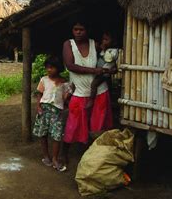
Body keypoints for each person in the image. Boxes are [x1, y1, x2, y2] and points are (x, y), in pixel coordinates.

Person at [62, 20, 115, 166]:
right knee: (73, 125)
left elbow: (106, 57)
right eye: (75, 29)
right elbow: (70, 65)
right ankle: (64, 154)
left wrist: (109, 68)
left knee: (98, 126)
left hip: (100, 91)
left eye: (81, 29)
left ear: (87, 31)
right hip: (79, 93)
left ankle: (94, 158)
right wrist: (94, 70)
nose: (78, 32)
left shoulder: (94, 44)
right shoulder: (68, 44)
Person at [33, 56, 71, 172]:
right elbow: (39, 93)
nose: (49, 70)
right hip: (44, 109)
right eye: (47, 68)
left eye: (52, 68)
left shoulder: (64, 82)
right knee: (43, 133)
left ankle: (54, 158)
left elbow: (66, 98)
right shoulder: (44, 79)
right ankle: (46, 156)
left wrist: (69, 94)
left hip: (57, 111)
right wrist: (38, 106)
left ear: (58, 69)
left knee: (57, 135)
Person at [87, 32, 119, 108]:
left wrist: (103, 49)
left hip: (104, 73)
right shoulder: (106, 50)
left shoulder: (113, 51)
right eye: (103, 39)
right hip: (101, 72)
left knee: (93, 84)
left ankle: (91, 100)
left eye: (106, 40)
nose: (104, 42)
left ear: (113, 42)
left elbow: (108, 58)